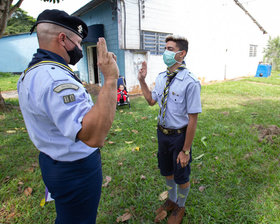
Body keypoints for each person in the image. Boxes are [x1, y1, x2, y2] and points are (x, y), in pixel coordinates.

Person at [17, 9, 119, 224]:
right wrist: (110, 79)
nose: (80, 49)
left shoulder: (32, 72)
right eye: (78, 42)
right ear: (62, 39)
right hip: (75, 169)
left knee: (69, 217)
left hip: (52, 161)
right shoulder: (56, 79)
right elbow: (93, 136)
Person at [138, 35, 202, 224]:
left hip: (179, 137)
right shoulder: (161, 78)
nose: (165, 52)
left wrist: (186, 150)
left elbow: (193, 120)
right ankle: (172, 200)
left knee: (181, 176)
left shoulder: (190, 82)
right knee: (167, 171)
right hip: (162, 133)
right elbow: (151, 101)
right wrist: (142, 80)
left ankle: (180, 206)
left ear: (181, 54)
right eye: (165, 48)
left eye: (170, 49)